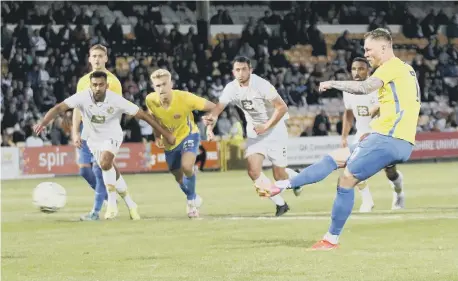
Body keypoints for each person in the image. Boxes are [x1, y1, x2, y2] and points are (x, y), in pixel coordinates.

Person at [257, 28, 421, 249]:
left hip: (388, 137)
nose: (367, 54)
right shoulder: (405, 69)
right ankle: (284, 184)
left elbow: (365, 87)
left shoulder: (390, 68)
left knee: (346, 180)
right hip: (394, 138)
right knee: (334, 158)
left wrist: (333, 83)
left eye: (369, 50)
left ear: (384, 47)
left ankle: (331, 239)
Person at [35, 71, 175, 220]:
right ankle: (131, 204)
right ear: (90, 85)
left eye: (101, 85)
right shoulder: (82, 97)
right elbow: (58, 108)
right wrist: (43, 123)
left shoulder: (116, 100)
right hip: (93, 139)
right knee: (110, 170)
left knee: (105, 162)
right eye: (94, 85)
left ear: (107, 85)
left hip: (112, 136)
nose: (97, 88)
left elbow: (144, 116)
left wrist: (165, 134)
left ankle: (112, 204)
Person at [203, 56, 301, 217]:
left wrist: (266, 126)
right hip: (255, 132)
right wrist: (210, 126)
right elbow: (218, 108)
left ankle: (295, 176)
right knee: (253, 171)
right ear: (233, 71)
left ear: (250, 70)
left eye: (244, 69)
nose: (240, 73)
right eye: (237, 70)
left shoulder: (261, 85)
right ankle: (281, 205)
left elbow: (282, 107)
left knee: (279, 176)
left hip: (275, 130)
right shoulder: (231, 88)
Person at [145, 69, 215, 218]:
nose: (161, 88)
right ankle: (193, 195)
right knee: (178, 177)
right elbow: (153, 118)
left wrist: (209, 125)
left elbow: (213, 107)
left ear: (171, 84)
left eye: (164, 84)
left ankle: (191, 203)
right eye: (157, 85)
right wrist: (158, 136)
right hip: (170, 143)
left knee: (187, 166)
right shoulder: (150, 100)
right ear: (153, 87)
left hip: (189, 135)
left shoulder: (185, 98)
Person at [341, 57, 405, 212]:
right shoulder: (348, 90)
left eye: (361, 69)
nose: (357, 72)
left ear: (368, 70)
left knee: (390, 171)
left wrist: (376, 113)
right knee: (351, 167)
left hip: (381, 132)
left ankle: (399, 194)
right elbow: (348, 113)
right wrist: (344, 136)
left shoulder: (377, 87)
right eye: (354, 69)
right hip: (362, 134)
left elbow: (384, 109)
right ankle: (367, 201)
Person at [70, 44, 124, 221]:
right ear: (89, 59)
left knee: (98, 168)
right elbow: (78, 107)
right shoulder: (83, 81)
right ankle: (110, 197)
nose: (97, 59)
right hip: (87, 131)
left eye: (101, 56)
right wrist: (75, 131)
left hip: (103, 130)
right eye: (94, 56)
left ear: (106, 59)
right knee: (84, 171)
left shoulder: (113, 82)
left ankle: (95, 211)